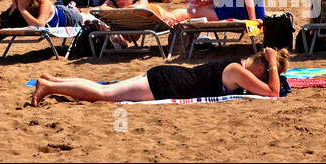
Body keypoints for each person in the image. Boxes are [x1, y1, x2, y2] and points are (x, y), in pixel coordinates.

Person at [31, 48, 289, 105]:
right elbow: (272, 93)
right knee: (105, 95)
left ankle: (52, 81)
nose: (265, 80)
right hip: (168, 84)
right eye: (266, 75)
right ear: (261, 69)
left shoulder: (236, 67)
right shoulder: (237, 70)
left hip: (168, 77)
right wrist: (273, 65)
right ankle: (51, 88)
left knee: (110, 90)